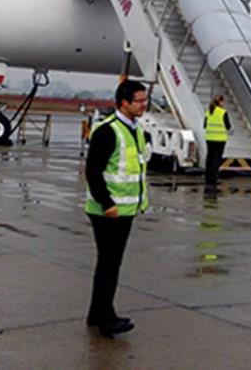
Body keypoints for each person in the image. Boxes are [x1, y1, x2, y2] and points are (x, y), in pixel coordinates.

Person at [83, 79, 149, 338]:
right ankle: (106, 317)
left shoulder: (135, 129)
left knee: (109, 263)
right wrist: (107, 204)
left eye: (145, 100)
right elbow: (92, 171)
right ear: (124, 103)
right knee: (109, 265)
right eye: (139, 101)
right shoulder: (108, 131)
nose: (144, 105)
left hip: (124, 210)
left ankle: (96, 313)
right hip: (109, 211)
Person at [204, 95, 230, 187]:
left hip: (209, 138)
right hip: (220, 139)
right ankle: (214, 178)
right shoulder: (223, 112)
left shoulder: (208, 112)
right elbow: (228, 126)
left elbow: (204, 125)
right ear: (220, 102)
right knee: (217, 159)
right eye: (222, 101)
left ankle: (207, 177)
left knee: (209, 158)